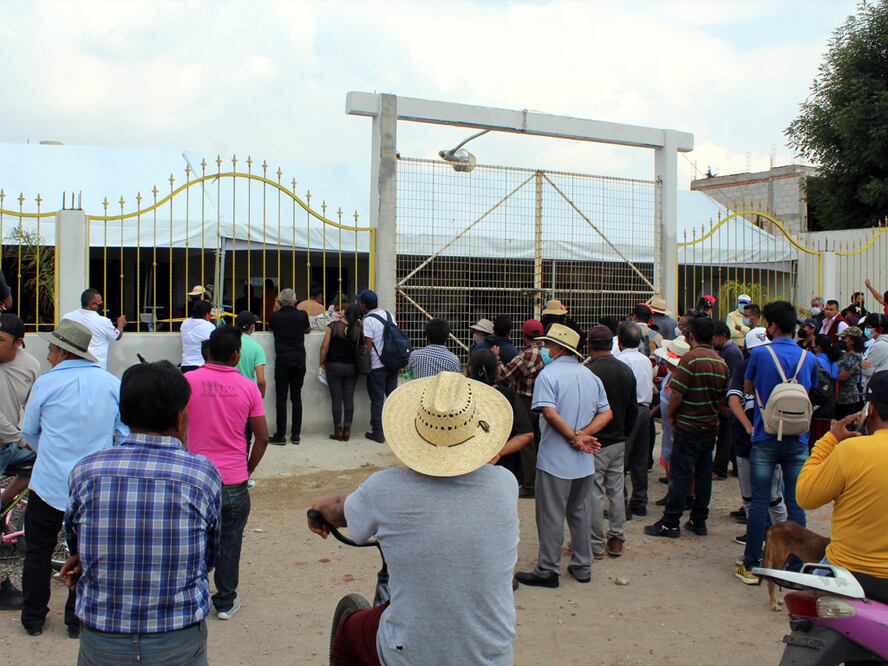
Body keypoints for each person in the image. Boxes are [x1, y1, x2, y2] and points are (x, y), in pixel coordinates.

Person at [308, 371, 519, 664]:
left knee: (347, 630)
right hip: (493, 655)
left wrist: (320, 507)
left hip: (410, 655)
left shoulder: (385, 488)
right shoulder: (505, 485)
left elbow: (340, 509)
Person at [61, 361, 222, 664]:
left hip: (102, 635)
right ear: (179, 417)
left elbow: (77, 541)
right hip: (177, 635)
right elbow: (209, 555)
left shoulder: (86, 471)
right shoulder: (201, 475)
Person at [20, 319, 127, 637]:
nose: (49, 355)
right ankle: (76, 620)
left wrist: (51, 454)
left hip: (48, 485)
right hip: (93, 488)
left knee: (38, 551)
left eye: (52, 349)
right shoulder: (111, 384)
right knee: (86, 553)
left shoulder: (46, 383)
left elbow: (29, 432)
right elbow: (122, 434)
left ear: (62, 351)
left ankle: (33, 619)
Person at [515, 324, 612, 587]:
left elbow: (548, 412)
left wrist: (573, 436)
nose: (544, 349)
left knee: (550, 515)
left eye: (547, 345)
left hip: (556, 457)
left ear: (558, 348)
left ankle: (548, 569)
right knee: (579, 512)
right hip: (583, 460)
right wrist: (584, 434)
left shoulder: (549, 375)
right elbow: (606, 413)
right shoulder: (590, 376)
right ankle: (582, 565)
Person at [185, 327, 268, 620]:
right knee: (230, 540)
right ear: (236, 354)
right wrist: (248, 467)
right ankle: (225, 601)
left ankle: (191, 596)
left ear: (207, 352)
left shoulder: (187, 382)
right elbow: (263, 437)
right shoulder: (248, 388)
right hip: (233, 480)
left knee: (191, 539)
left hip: (194, 479)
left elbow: (177, 427)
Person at [735, 301, 819, 584]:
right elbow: (811, 390)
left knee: (759, 502)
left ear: (771, 326)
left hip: (765, 435)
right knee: (796, 503)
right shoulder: (808, 358)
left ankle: (751, 564)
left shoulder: (760, 355)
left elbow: (748, 388)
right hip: (798, 438)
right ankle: (796, 567)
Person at [796, 372, 888, 586]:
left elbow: (805, 497)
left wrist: (830, 440)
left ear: (869, 409)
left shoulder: (851, 451)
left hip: (848, 573)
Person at [644, 317, 728, 539]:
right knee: (703, 475)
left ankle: (671, 522)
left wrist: (670, 416)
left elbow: (677, 393)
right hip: (708, 427)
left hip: (688, 427)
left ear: (692, 336)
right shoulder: (720, 362)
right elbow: (722, 399)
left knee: (680, 475)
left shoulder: (690, 359)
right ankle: (699, 520)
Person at [725, 334, 788, 542]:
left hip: (767, 438)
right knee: (753, 496)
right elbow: (734, 399)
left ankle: (781, 538)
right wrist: (748, 425)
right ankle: (757, 535)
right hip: (752, 439)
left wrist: (748, 426)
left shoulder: (775, 365)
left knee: (772, 495)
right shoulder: (744, 367)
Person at [586, 325, 637, 559]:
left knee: (594, 493)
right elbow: (632, 409)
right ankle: (616, 537)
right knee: (616, 490)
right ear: (611, 344)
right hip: (618, 440)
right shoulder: (626, 370)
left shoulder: (588, 372)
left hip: (595, 441)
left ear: (590, 345)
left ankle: (596, 544)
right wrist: (623, 433)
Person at [0, 314, 39, 610]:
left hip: (12, 443)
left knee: (43, 462)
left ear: (19, 343)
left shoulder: (31, 366)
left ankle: (5, 501)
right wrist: (22, 438)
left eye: (1, 341)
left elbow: (34, 405)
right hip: (10, 439)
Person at [467, 349, 533, 481]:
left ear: (469, 369)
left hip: (466, 463)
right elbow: (526, 434)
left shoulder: (461, 395)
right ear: (497, 371)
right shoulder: (508, 396)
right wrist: (497, 453)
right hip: (501, 466)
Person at [498, 319, 545, 498]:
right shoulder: (548, 351)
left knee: (526, 443)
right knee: (541, 441)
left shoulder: (526, 355)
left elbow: (504, 374)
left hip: (525, 399)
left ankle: (529, 484)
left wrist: (496, 358)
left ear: (524, 336)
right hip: (543, 400)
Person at [614, 322, 654, 518]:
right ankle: (640, 501)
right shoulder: (645, 360)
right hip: (645, 409)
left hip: (628, 410)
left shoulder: (621, 361)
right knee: (640, 457)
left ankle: (622, 504)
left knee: (621, 458)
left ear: (619, 341)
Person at [268, 288, 310, 445]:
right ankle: (296, 435)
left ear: (280, 301)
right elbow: (307, 329)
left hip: (283, 360)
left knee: (281, 398)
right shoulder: (301, 315)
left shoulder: (275, 316)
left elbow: (271, 328)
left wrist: (275, 308)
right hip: (299, 359)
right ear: (294, 301)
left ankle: (280, 435)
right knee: (296, 397)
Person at [359, 290, 399, 444]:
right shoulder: (388, 315)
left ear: (363, 304)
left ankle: (378, 432)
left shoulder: (368, 320)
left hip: (377, 366)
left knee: (377, 400)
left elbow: (368, 347)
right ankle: (395, 429)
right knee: (393, 398)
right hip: (392, 363)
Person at [319, 303, 362, 441]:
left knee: (336, 399)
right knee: (349, 399)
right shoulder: (359, 329)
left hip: (333, 366)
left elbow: (324, 346)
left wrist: (321, 362)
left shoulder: (333, 326)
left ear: (345, 312)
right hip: (351, 367)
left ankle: (337, 431)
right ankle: (347, 431)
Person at [62, 288, 126, 371]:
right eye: (100, 302)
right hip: (97, 367)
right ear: (92, 305)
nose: (102, 304)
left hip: (73, 367)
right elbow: (117, 336)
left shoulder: (68, 317)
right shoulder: (103, 321)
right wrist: (120, 324)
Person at [712, 321, 744, 479]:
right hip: (727, 399)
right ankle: (736, 467)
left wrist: (725, 401)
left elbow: (732, 379)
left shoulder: (730, 352)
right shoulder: (727, 350)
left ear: (722, 336)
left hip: (728, 401)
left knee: (726, 436)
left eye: (714, 337)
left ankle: (720, 469)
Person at [235, 311, 267, 398]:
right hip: (248, 393)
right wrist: (261, 395)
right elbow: (260, 380)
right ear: (252, 327)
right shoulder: (257, 348)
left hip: (230, 391)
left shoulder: (229, 343)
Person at [836, 327, 865, 420]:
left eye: (844, 338)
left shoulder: (853, 357)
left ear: (852, 341)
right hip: (841, 397)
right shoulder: (846, 354)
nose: (842, 340)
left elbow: (843, 376)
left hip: (847, 398)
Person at [180, 300, 215, 373]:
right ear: (207, 314)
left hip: (185, 365)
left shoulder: (185, 323)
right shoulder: (209, 326)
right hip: (201, 365)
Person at [863, 314, 888, 388]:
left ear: (879, 329)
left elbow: (867, 371)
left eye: (869, 327)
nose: (866, 329)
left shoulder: (878, 346)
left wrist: (861, 364)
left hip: (877, 389)